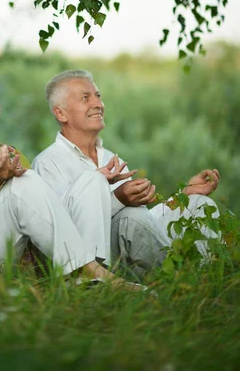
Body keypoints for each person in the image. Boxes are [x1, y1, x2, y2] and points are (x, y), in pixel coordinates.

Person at [0, 71, 143, 290]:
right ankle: (92, 271)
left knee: (87, 178)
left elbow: (44, 219)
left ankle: (84, 280)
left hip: (9, 260)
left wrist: (95, 183)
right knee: (24, 181)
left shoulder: (12, 155)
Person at [32, 70, 220, 277]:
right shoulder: (48, 163)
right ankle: (180, 280)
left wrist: (184, 195)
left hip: (130, 250)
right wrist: (119, 198)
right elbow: (61, 230)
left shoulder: (111, 158)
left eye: (98, 96)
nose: (98, 104)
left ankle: (206, 278)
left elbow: (146, 223)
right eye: (85, 98)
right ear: (61, 113)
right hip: (89, 264)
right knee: (131, 215)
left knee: (199, 204)